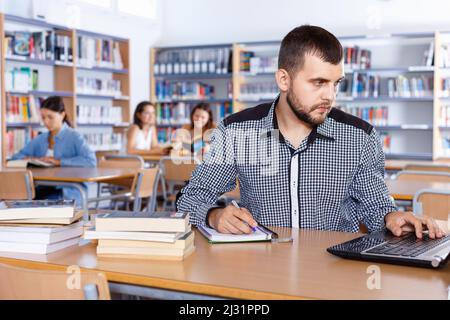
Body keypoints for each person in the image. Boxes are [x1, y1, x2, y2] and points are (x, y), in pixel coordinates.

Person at [176, 25, 444, 239]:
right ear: (284, 79)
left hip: (334, 272)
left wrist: (391, 218)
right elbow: (191, 198)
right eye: (318, 83)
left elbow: (376, 206)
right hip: (261, 268)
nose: (330, 96)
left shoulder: (359, 136)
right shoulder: (238, 131)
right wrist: (213, 215)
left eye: (335, 83)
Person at [11, 96, 97, 206]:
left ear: (62, 115)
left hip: (67, 190)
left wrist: (59, 162)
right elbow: (16, 157)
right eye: (43, 117)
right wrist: (33, 159)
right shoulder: (40, 139)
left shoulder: (74, 137)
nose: (46, 121)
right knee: (18, 202)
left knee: (35, 204)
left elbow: (91, 161)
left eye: (50, 117)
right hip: (42, 188)